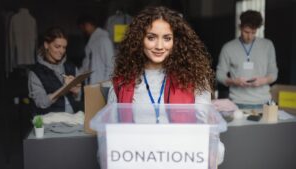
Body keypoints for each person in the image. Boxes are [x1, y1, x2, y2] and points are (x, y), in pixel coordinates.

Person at [107, 6, 225, 165]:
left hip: (181, 162)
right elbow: (112, 137)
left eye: (167, 38)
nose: (159, 46)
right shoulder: (121, 82)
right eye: (151, 37)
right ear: (139, 39)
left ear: (176, 41)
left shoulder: (194, 79)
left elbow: (207, 133)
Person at [216, 10, 278, 109]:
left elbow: (274, 73)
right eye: (246, 32)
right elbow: (219, 74)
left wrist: (263, 80)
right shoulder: (228, 47)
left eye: (253, 32)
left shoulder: (268, 45)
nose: (250, 36)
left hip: (264, 102)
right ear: (240, 27)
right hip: (237, 102)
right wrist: (234, 81)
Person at [28, 27, 82, 115]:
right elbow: (41, 103)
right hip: (51, 120)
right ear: (46, 45)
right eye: (57, 46)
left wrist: (76, 92)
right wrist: (64, 88)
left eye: (64, 47)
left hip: (73, 117)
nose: (61, 51)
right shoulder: (35, 72)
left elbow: (78, 99)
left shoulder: (71, 67)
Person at [77, 15, 114, 85]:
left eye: (82, 28)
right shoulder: (93, 40)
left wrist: (105, 85)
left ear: (87, 25)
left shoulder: (104, 39)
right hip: (92, 83)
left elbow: (110, 66)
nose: (82, 31)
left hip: (101, 85)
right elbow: (86, 64)